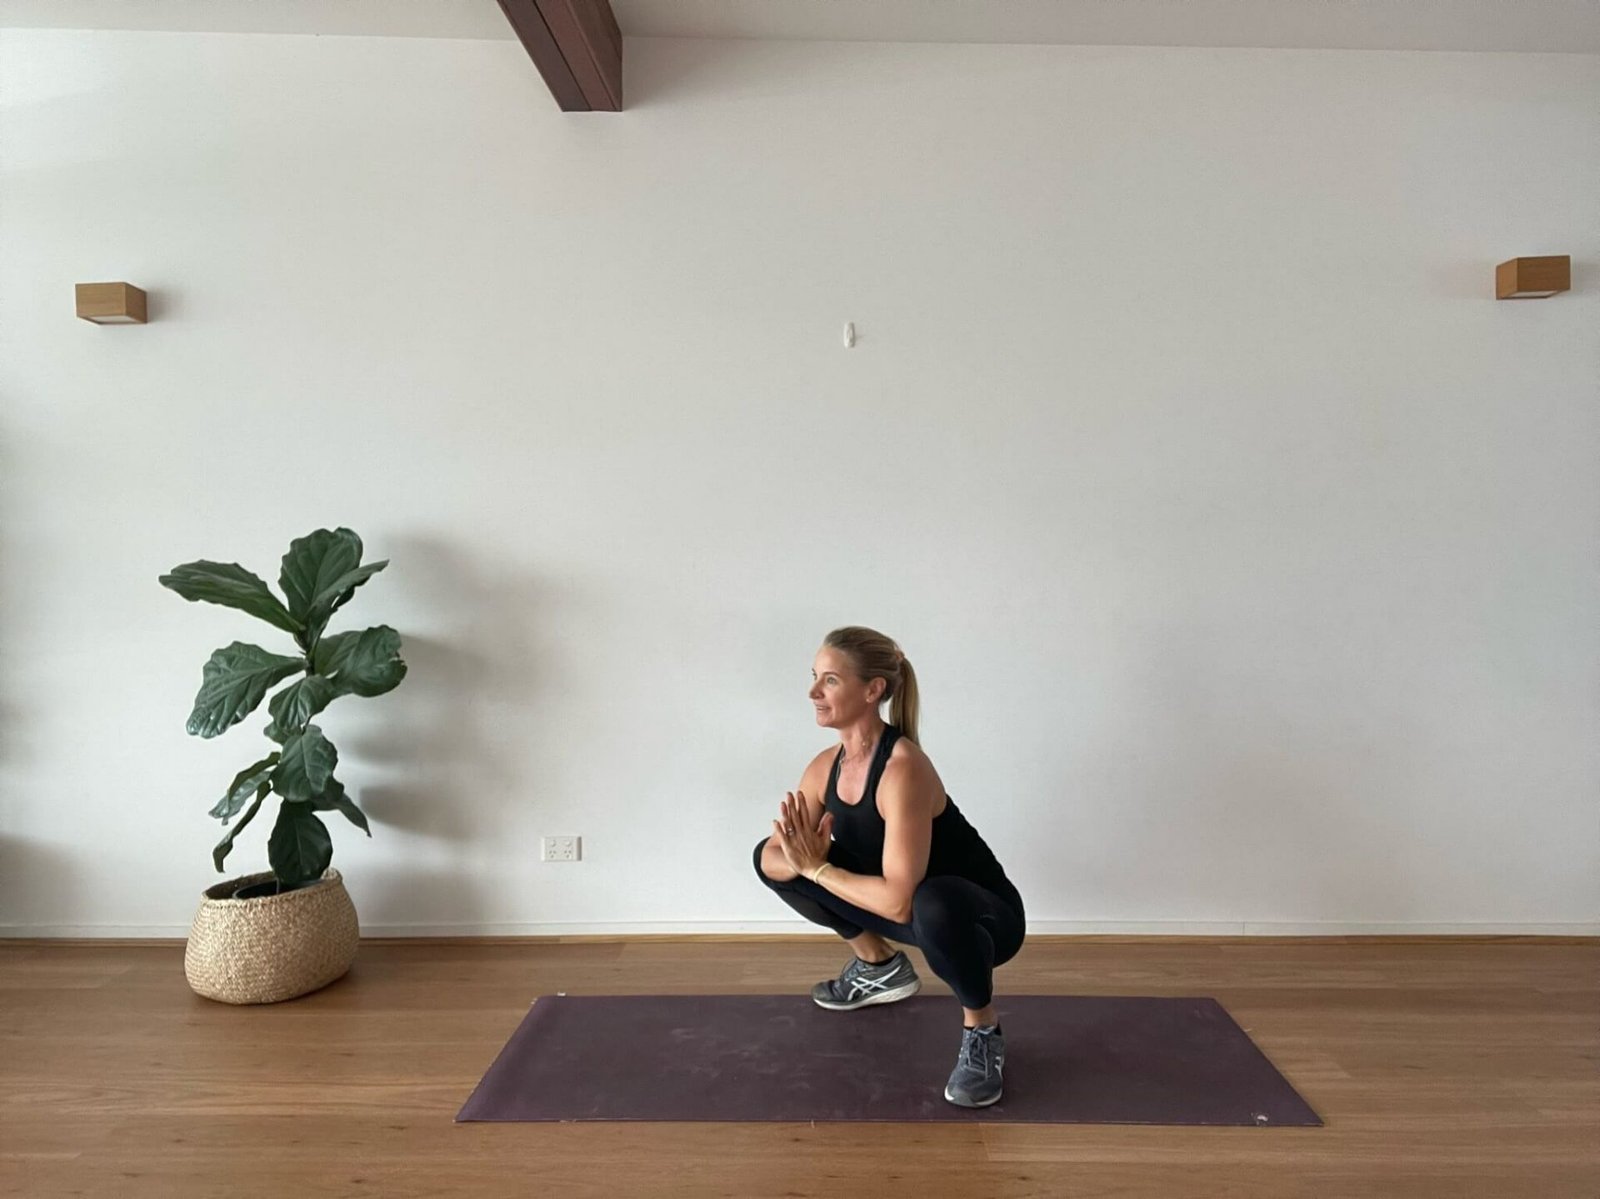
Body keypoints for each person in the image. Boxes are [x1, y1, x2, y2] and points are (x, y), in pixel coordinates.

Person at [753, 625, 1026, 1107]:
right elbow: (775, 859)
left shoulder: (903, 769)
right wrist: (799, 862)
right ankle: (879, 966)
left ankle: (982, 1029)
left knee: (932, 900)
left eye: (830, 680)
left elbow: (901, 903)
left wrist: (816, 869)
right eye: (815, 677)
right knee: (768, 854)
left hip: (981, 921)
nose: (813, 691)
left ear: (873, 689)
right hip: (903, 909)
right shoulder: (824, 768)